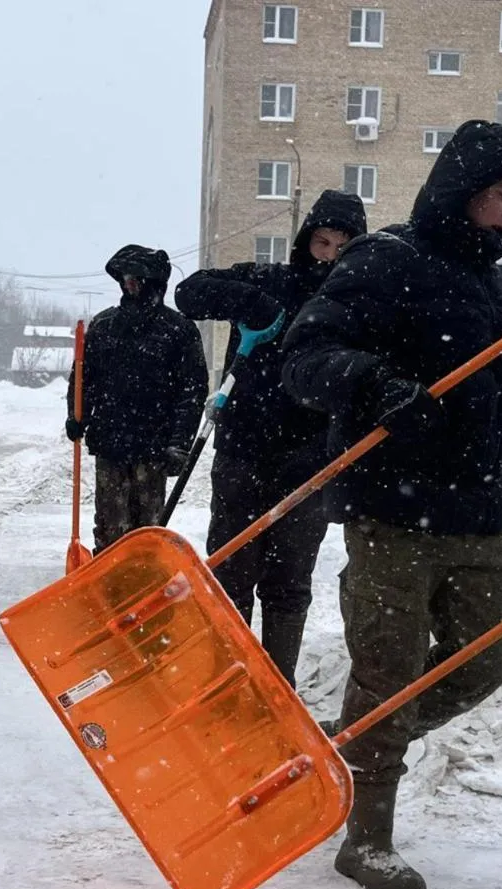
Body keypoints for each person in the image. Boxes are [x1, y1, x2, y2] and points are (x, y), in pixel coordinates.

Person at [283, 120, 502, 889]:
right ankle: (365, 838)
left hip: (478, 513)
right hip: (394, 509)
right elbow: (306, 357)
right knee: (386, 669)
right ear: (464, 186)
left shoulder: (496, 286)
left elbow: (496, 401)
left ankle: (352, 744)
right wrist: (373, 385)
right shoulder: (387, 260)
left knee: (482, 665)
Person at [173, 190, 367, 684]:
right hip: (243, 454)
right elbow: (190, 293)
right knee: (231, 575)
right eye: (323, 242)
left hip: (310, 464)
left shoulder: (357, 310)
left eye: (343, 247)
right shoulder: (269, 281)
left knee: (287, 584)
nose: (329, 255)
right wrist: (249, 301)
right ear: (306, 241)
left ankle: (276, 689)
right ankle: (226, 682)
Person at [67, 244, 208, 552]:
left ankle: (143, 588)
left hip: (153, 449)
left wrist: (179, 443)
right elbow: (83, 378)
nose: (130, 285)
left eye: (137, 279)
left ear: (154, 284)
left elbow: (192, 391)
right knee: (109, 528)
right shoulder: (105, 326)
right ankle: (109, 593)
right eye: (126, 278)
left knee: (147, 532)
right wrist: (77, 416)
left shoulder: (178, 331)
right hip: (110, 444)